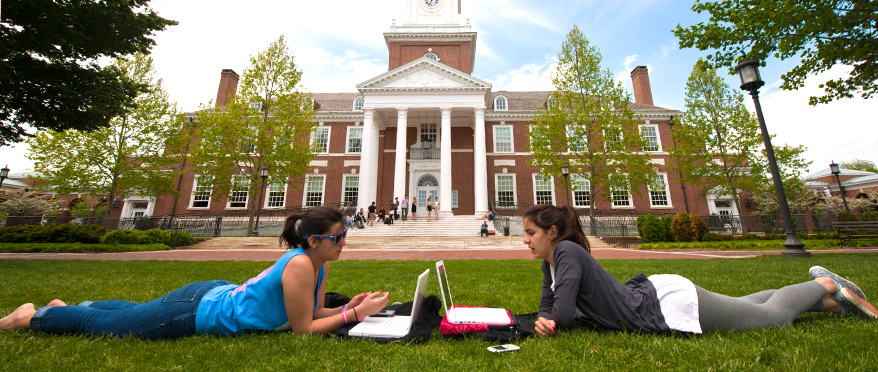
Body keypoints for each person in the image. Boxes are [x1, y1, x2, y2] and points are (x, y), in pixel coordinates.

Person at [0, 206, 391, 339]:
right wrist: (353, 316)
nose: (344, 242)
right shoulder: (302, 264)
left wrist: (349, 308)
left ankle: (69, 308)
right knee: (116, 328)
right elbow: (303, 330)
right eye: (338, 237)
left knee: (135, 311)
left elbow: (310, 314)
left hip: (210, 295)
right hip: (201, 311)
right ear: (314, 241)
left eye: (345, 235)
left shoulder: (315, 265)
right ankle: (30, 317)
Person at [522, 204, 877, 337]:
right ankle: (835, 303)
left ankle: (826, 282)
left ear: (552, 233)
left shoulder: (566, 251)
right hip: (655, 297)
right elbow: (549, 302)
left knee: (770, 319)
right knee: (745, 304)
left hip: (665, 305)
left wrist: (549, 321)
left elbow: (563, 313)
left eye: (530, 233)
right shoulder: (551, 262)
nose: (526, 240)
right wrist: (544, 315)